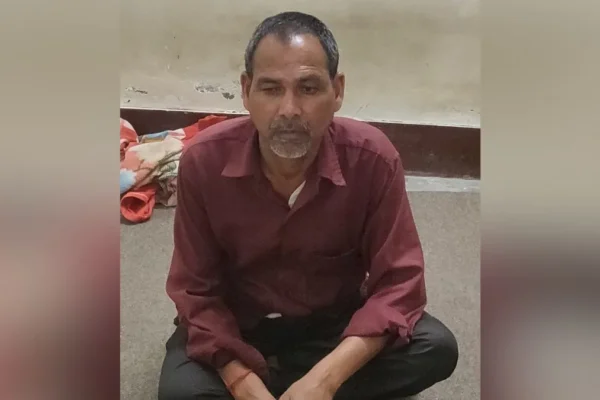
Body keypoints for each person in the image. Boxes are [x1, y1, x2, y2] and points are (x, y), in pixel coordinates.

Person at [158, 11, 458, 400]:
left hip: (332, 328)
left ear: (338, 91)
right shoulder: (203, 162)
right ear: (246, 91)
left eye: (309, 88)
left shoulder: (374, 160)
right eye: (270, 89)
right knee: (180, 393)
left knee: (435, 347)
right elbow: (195, 292)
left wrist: (326, 380)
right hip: (239, 328)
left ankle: (306, 385)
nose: (289, 110)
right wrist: (240, 380)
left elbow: (400, 284)